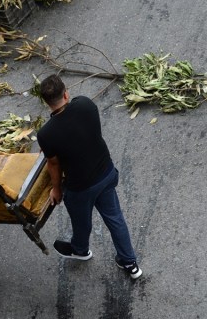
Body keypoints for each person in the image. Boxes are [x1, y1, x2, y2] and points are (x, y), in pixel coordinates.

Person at [36, 74, 142, 279]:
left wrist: (56, 189)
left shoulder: (46, 134)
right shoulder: (85, 104)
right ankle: (130, 263)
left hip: (80, 187)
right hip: (106, 174)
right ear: (66, 94)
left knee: (81, 221)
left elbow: (54, 164)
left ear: (45, 102)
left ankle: (80, 250)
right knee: (115, 219)